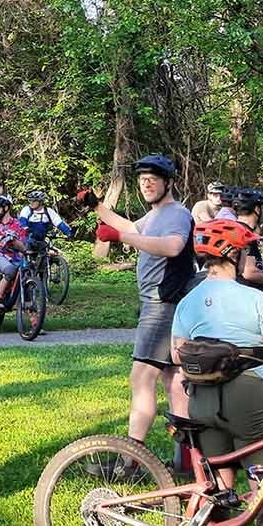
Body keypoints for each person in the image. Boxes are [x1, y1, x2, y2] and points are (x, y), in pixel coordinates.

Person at [171, 218, 263, 526]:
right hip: (251, 398)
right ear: (235, 255)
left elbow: (176, 356)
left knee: (218, 485)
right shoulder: (256, 299)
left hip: (203, 400)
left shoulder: (188, 302)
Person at [84, 154, 195, 444]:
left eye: (153, 179)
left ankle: (132, 455)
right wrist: (96, 206)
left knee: (142, 377)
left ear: (168, 183)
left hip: (162, 304)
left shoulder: (177, 213)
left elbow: (173, 246)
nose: (146, 184)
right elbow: (131, 227)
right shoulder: (155, 215)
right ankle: (188, 456)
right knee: (173, 378)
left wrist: (119, 238)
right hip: (161, 303)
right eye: (143, 180)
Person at [0, 196, 29, 307]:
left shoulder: (17, 224)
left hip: (15, 257)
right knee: (10, 270)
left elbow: (23, 245)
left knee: (26, 273)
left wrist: (14, 241)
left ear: (6, 208)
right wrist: (0, 238)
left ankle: (29, 308)